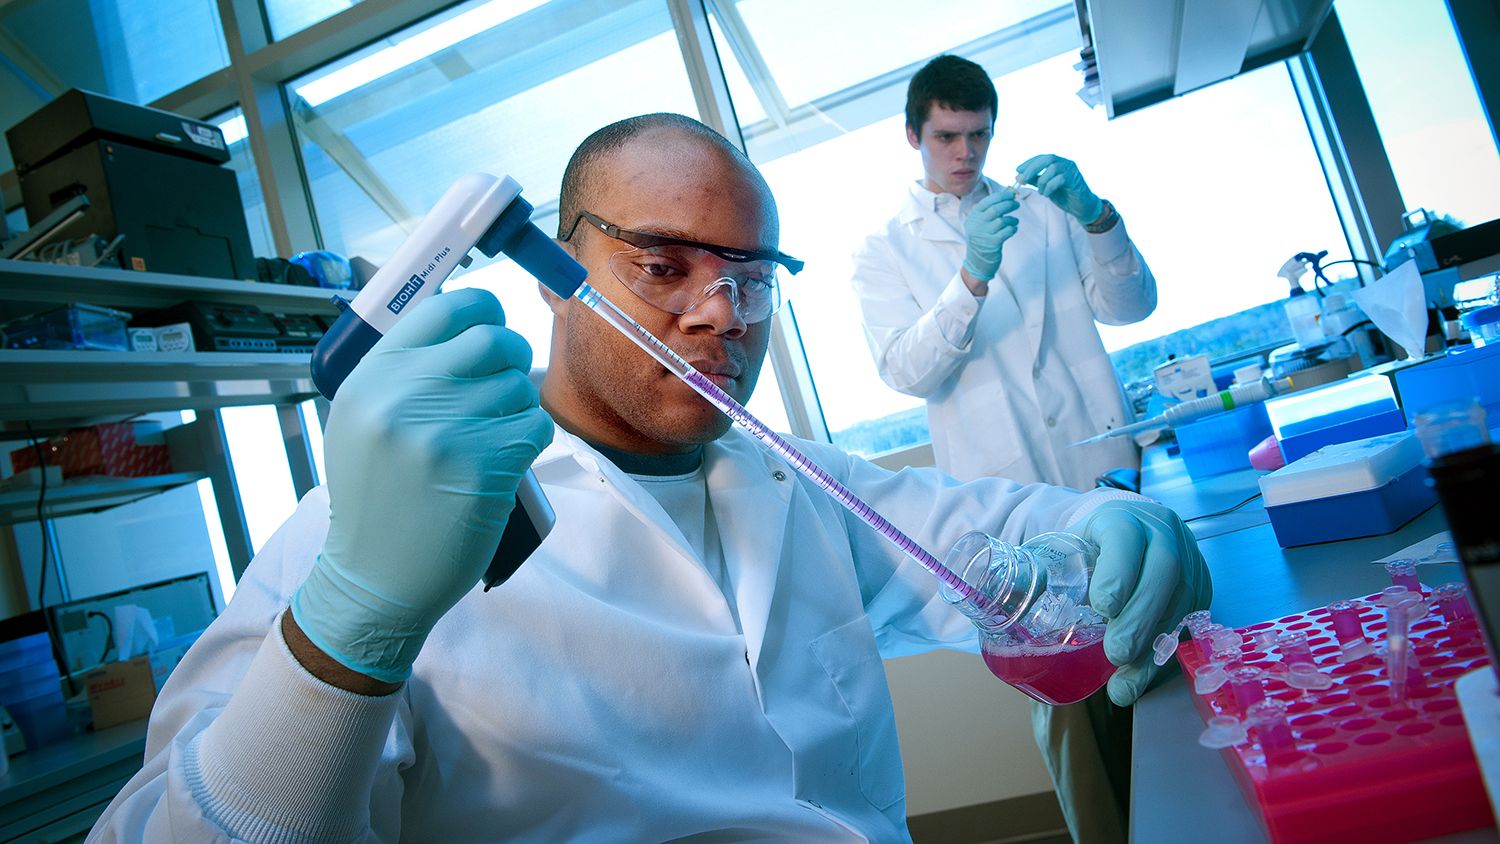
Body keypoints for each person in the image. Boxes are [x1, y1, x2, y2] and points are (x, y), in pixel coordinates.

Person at [89, 113, 1207, 843]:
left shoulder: (792, 482)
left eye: (751, 277)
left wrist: (1121, 525)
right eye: (664, 266)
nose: (719, 310)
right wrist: (351, 629)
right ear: (555, 273)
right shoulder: (374, 537)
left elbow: (991, 526)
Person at [852, 54, 1157, 493]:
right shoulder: (883, 251)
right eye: (946, 137)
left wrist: (1097, 219)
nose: (967, 152)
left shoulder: (1045, 209)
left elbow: (1132, 308)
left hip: (1101, 455)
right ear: (912, 135)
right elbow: (907, 374)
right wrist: (970, 278)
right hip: (1002, 486)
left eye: (979, 133)